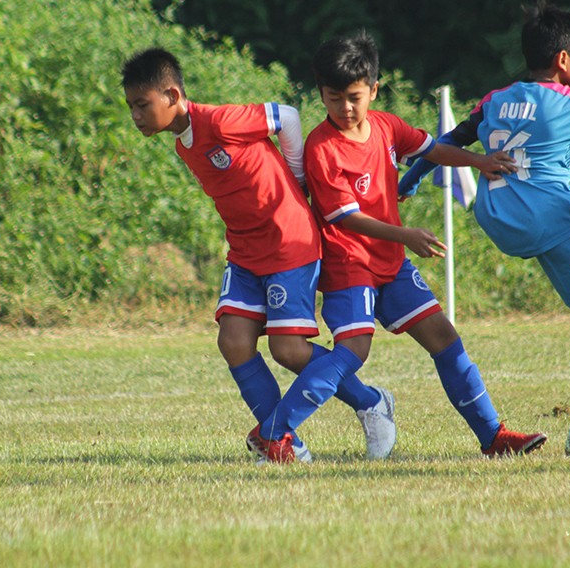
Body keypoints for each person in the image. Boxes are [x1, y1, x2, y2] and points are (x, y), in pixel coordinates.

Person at [251, 31, 545, 460]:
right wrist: (408, 235)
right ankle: (276, 431)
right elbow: (343, 217)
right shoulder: (321, 147)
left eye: (354, 97)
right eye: (334, 98)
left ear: (373, 89)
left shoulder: (387, 126)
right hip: (347, 261)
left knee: (444, 338)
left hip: (390, 262)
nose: (345, 108)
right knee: (354, 350)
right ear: (321, 95)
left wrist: (479, 160)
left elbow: (432, 149)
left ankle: (494, 436)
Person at [121, 47, 396, 464]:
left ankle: (371, 402)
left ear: (173, 95)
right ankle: (285, 446)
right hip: (245, 250)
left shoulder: (217, 119)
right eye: (131, 107)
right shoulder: (183, 143)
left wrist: (297, 177)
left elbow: (285, 115)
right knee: (233, 342)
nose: (136, 116)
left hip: (289, 241)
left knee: (288, 351)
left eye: (142, 105)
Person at [399, 1, 570, 458]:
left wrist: (406, 184)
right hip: (548, 219)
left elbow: (446, 142)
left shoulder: (495, 99)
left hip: (497, 215)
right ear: (563, 60)